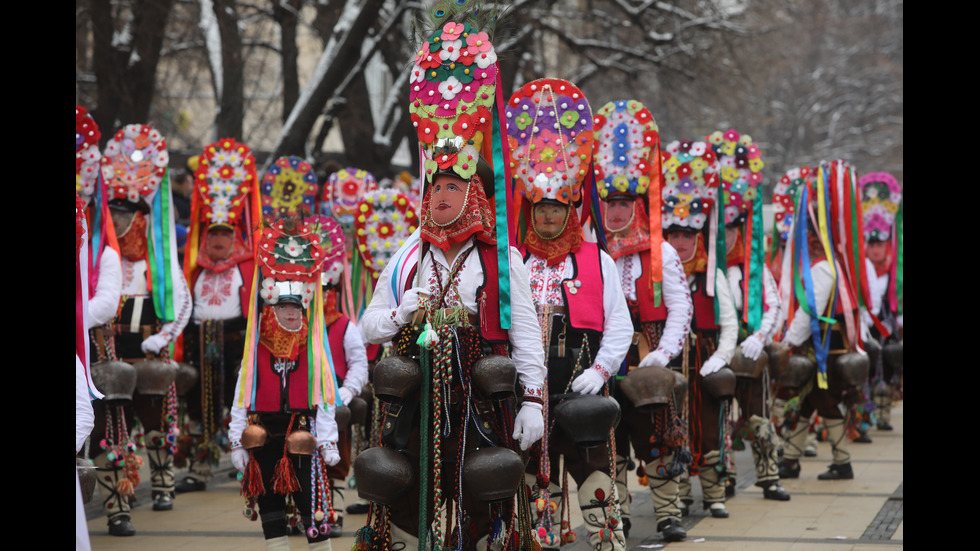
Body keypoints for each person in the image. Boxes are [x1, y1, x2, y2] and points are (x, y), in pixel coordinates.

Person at [357, 13, 545, 549]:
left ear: (477, 195)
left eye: (453, 185)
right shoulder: (406, 256)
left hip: (480, 402)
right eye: (434, 184)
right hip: (413, 399)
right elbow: (368, 328)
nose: (440, 195)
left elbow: (526, 334)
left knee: (484, 498)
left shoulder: (500, 258)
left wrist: (533, 400)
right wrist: (401, 312)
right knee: (404, 498)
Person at [507, 79, 633, 551]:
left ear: (571, 208)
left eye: (556, 209)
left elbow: (620, 324)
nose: (546, 218)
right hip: (529, 393)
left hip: (580, 388)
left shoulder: (597, 259)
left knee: (596, 483)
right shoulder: (515, 259)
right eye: (539, 209)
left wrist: (601, 370)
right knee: (536, 491)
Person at [593, 99, 692, 542]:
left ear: (639, 204)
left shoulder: (663, 252)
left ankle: (669, 511)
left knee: (655, 435)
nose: (615, 212)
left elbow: (681, 309)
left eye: (624, 203)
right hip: (604, 356)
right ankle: (617, 513)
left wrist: (665, 354)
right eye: (609, 203)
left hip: (649, 351)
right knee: (607, 435)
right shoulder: (591, 251)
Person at [228, 217, 342, 551]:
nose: (291, 313)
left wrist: (329, 441)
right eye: (283, 307)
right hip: (263, 436)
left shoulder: (312, 349)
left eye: (296, 307)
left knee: (312, 506)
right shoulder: (256, 350)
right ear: (269, 310)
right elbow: (240, 398)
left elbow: (324, 397)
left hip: (302, 434)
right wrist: (237, 441)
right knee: (270, 506)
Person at [99, 124, 192, 526]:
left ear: (141, 218)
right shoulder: (103, 261)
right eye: (114, 212)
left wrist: (163, 337)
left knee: (156, 425)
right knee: (110, 430)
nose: (119, 220)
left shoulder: (158, 262)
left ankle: (163, 485)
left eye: (126, 214)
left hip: (149, 351)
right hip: (110, 355)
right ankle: (116, 506)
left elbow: (183, 304)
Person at [776, 160, 871, 481]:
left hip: (824, 348)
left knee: (823, 400)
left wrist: (788, 341)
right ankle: (790, 460)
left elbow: (810, 312)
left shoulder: (822, 267)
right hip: (821, 347)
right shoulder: (828, 264)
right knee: (807, 403)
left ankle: (842, 461)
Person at [661, 136, 738, 519]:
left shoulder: (713, 276)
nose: (680, 243)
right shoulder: (659, 274)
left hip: (705, 360)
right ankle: (676, 498)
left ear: (697, 237)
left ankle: (714, 493)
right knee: (672, 428)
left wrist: (721, 357)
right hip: (673, 363)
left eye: (687, 236)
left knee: (707, 427)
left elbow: (730, 324)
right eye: (674, 235)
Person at [178, 138, 261, 492]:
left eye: (225, 233)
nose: (218, 240)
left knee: (235, 404)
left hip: (233, 342)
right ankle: (200, 467)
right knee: (198, 406)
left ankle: (245, 463)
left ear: (235, 236)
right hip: (199, 343)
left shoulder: (245, 264)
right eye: (212, 233)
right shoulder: (194, 267)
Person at [712, 129, 789, 502]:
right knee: (720, 417)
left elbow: (774, 305)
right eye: (720, 229)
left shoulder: (751, 266)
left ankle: (769, 475)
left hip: (751, 350)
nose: (726, 235)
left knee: (757, 414)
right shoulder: (704, 267)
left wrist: (759, 336)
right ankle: (722, 476)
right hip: (716, 351)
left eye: (732, 228)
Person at [317, 215, 370, 536]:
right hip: (299, 394)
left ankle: (332, 505)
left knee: (338, 421)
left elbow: (359, 363)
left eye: (325, 288)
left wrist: (346, 392)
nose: (320, 294)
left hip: (334, 394)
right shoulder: (291, 322)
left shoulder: (342, 324)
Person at [858, 172, 903, 431]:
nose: (876, 249)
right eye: (871, 244)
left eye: (881, 244)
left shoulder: (893, 273)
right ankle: (865, 413)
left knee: (886, 368)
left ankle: (884, 413)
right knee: (864, 368)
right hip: (866, 326)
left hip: (886, 329)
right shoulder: (861, 271)